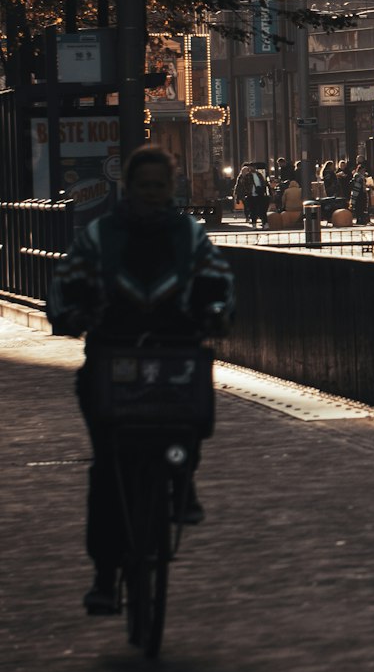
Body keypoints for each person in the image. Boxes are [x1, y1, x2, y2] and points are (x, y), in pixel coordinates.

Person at [46, 146, 235, 616]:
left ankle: (181, 478)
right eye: (144, 186)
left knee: (185, 428)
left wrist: (217, 311)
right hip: (113, 353)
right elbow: (67, 279)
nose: (152, 194)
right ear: (128, 188)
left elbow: (218, 278)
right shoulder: (100, 236)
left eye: (159, 186)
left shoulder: (190, 237)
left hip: (174, 352)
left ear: (170, 189)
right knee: (108, 468)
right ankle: (106, 575)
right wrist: (69, 311)